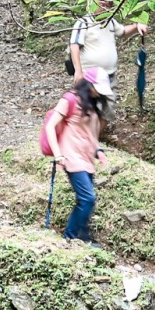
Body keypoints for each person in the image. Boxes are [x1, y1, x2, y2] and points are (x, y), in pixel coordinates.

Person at [42, 68, 115, 246]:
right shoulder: (70, 99)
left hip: (86, 158)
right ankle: (70, 236)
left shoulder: (92, 103)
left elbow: (90, 133)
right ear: (88, 84)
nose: (99, 93)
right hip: (71, 156)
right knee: (87, 198)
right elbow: (50, 126)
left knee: (86, 199)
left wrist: (98, 150)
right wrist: (58, 154)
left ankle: (83, 236)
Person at [67, 0, 148, 80]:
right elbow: (74, 46)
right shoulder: (84, 23)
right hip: (89, 76)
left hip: (109, 74)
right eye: (102, 5)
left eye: (108, 6)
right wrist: (78, 71)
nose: (105, 9)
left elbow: (123, 31)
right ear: (94, 4)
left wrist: (137, 26)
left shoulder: (110, 22)